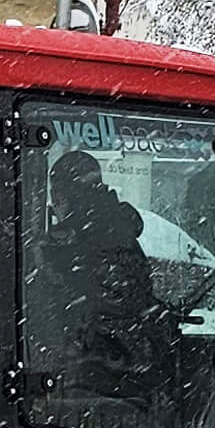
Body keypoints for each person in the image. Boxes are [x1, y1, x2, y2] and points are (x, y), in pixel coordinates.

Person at [40, 149, 169, 387]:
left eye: (56, 195)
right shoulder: (121, 232)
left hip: (94, 375)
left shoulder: (73, 245)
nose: (55, 204)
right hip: (135, 368)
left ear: (68, 195)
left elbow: (59, 312)